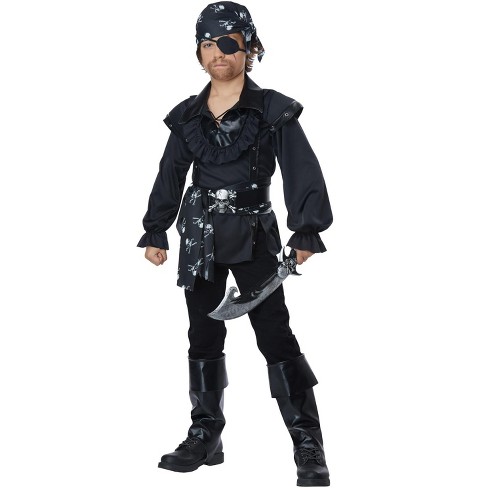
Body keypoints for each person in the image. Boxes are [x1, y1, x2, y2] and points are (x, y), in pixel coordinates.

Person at [137, 2, 333, 486]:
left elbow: (301, 168)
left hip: (254, 238)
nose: (218, 53)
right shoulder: (189, 114)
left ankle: (307, 442)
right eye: (208, 44)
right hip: (199, 239)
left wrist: (306, 229)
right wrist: (156, 227)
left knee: (276, 337)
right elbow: (170, 173)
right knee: (202, 336)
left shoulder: (272, 110)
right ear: (198, 52)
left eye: (229, 43)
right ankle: (206, 433)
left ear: (250, 48)